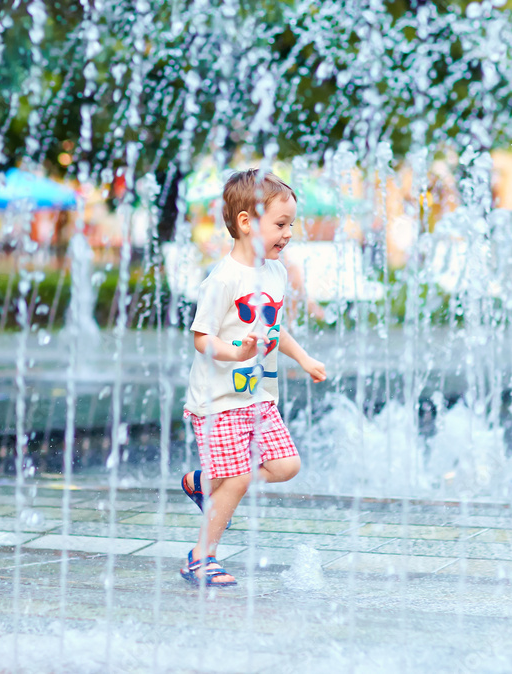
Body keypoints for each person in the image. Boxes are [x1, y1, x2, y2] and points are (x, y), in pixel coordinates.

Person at [179, 169, 326, 588]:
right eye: (280, 224)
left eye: (291, 224)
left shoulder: (274, 273)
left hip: (258, 395)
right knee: (239, 478)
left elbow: (275, 328)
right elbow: (202, 338)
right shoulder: (223, 280)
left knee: (286, 465)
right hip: (218, 401)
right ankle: (200, 558)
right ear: (246, 222)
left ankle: (204, 482)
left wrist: (303, 358)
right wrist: (236, 352)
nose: (288, 233)